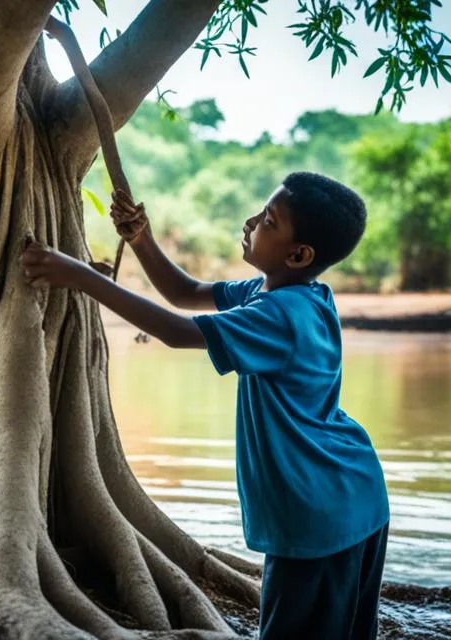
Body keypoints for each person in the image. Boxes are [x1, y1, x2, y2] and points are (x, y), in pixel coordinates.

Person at [20, 172, 390, 640]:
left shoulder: (281, 315)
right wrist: (141, 239)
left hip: (320, 514)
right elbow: (183, 292)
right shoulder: (281, 293)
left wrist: (80, 276)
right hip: (350, 494)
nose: (252, 221)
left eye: (269, 221)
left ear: (299, 255)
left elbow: (179, 331)